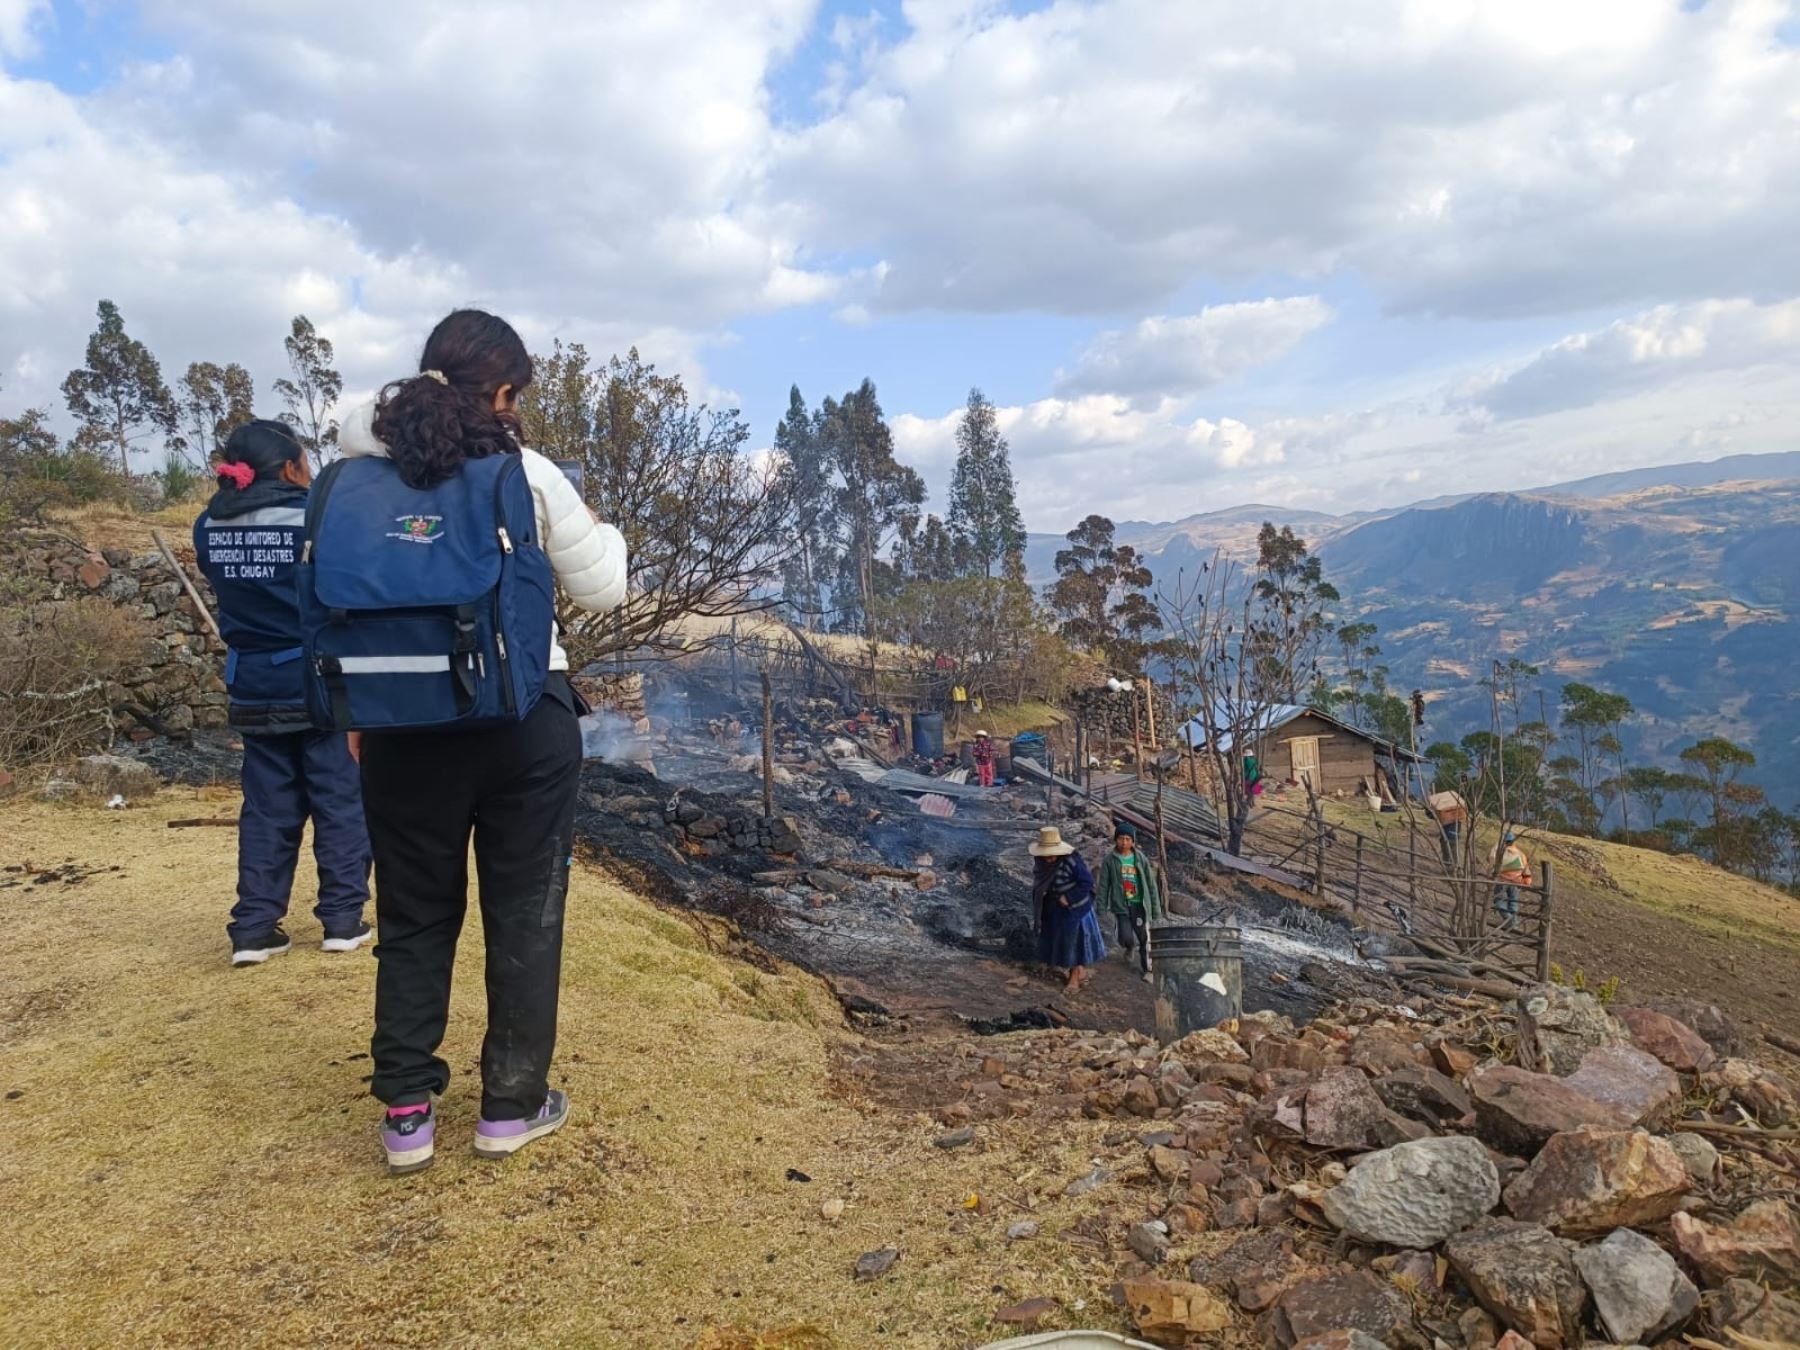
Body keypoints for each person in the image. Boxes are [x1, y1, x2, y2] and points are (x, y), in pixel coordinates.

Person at [339, 310, 628, 1176]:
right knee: (526, 915)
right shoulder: (526, 472)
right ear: (502, 392)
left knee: (413, 915)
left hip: (399, 725)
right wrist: (600, 527)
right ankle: (510, 1107)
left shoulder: (357, 464)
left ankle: (406, 1115)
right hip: (519, 720)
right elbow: (605, 586)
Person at [193, 420, 372, 967]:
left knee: (267, 808)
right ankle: (342, 920)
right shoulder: (312, 518)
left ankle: (253, 928)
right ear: (292, 467)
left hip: (252, 683)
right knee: (340, 800)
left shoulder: (208, 526)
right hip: (320, 682)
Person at [1029, 826, 1105, 993]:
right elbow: (1041, 881)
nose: (1049, 857)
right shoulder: (1041, 861)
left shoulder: (1072, 861)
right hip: (1055, 905)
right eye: (1045, 853)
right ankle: (1056, 962)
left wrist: (1069, 897)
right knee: (1052, 934)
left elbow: (1087, 883)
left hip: (1077, 907)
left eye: (1051, 853)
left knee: (1074, 941)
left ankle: (1075, 975)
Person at [1097, 821, 1162, 983]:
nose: (1124, 842)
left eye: (1127, 839)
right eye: (1121, 839)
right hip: (1121, 905)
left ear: (1133, 841)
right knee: (1125, 936)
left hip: (1139, 904)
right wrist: (1101, 906)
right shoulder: (1110, 860)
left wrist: (1155, 908)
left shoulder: (1140, 859)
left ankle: (1148, 969)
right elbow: (1104, 884)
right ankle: (1129, 946)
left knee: (1145, 938)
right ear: (1115, 840)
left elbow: (1150, 884)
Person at [1495, 830, 1532, 926]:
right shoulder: (1521, 854)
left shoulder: (1500, 852)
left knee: (1498, 901)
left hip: (1502, 880)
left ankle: (1509, 920)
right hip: (1516, 882)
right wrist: (1526, 882)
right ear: (1513, 841)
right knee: (1513, 903)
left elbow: (1492, 862)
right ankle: (1513, 922)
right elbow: (1526, 870)